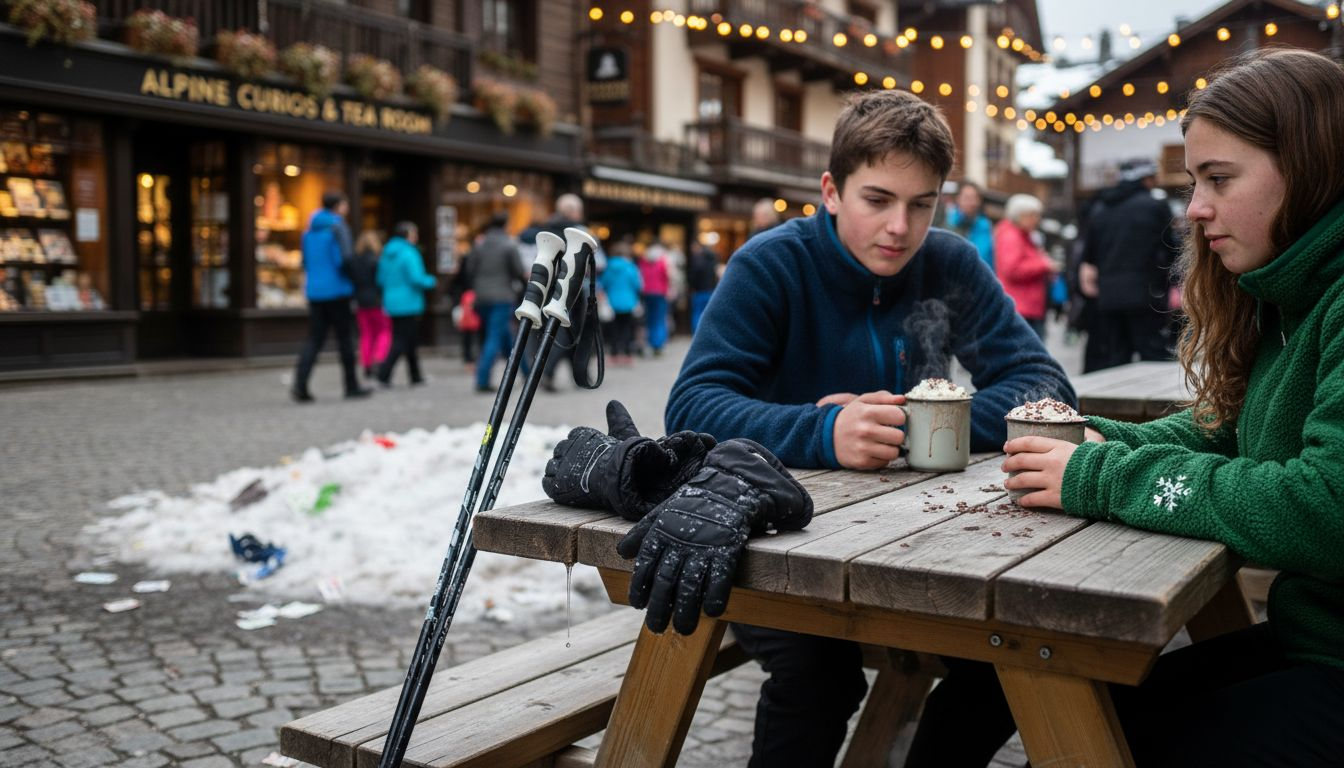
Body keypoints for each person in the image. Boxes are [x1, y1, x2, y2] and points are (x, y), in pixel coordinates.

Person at [664, 89, 1074, 768]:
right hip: (769, 538)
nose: (899, 227)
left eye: (922, 205)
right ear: (831, 190)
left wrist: (920, 427)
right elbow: (692, 406)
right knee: (819, 676)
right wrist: (823, 431)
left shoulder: (948, 262)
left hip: (913, 538)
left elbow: (1045, 386)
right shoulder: (770, 264)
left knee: (1019, 649)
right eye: (877, 200)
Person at [996, 48, 1344, 767]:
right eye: (1194, 181)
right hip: (1313, 635)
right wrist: (1099, 438)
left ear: (1313, 167)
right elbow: (1231, 430)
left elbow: (1326, 508)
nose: (1194, 209)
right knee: (1056, 712)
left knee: (1081, 742)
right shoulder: (1293, 291)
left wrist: (1100, 477)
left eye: (1219, 178)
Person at [1080, 157, 1181, 372]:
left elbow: (1089, 256)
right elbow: (1170, 248)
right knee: (1154, 357)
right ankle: (1159, 406)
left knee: (1116, 358)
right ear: (1147, 179)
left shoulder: (1099, 209)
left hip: (1108, 295)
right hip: (1146, 293)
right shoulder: (1155, 206)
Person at [290, 191, 371, 402]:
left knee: (314, 339)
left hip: (315, 291)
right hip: (338, 291)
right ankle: (351, 386)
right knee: (345, 339)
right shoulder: (338, 226)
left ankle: (300, 384)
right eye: (345, 204)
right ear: (339, 206)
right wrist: (358, 281)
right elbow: (345, 259)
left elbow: (305, 262)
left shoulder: (308, 231)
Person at [469, 212, 526, 393]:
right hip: (502, 296)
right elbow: (518, 271)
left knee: (505, 337)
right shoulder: (509, 245)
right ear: (506, 225)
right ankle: (482, 380)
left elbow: (469, 270)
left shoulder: (479, 245)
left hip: (481, 298)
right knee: (494, 337)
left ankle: (527, 372)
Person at [375, 221, 436, 387]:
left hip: (391, 301)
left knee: (409, 341)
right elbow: (416, 278)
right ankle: (383, 374)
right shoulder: (409, 253)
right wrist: (431, 281)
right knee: (401, 341)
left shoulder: (386, 253)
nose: (416, 237)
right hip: (408, 302)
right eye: (414, 233)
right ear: (408, 235)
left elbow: (380, 279)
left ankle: (415, 375)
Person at [993, 193, 1058, 339]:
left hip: (1028, 306)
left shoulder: (1024, 236)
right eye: (1033, 215)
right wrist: (1043, 265)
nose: (1037, 219)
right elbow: (1012, 269)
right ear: (1020, 215)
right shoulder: (1011, 236)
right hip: (1021, 307)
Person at [349, 230, 391, 379]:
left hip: (360, 301)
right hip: (376, 301)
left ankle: (366, 363)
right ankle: (379, 359)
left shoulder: (354, 260)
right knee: (384, 331)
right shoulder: (377, 261)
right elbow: (382, 282)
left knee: (366, 334)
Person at [599, 237, 643, 366]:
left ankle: (614, 354)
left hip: (612, 302)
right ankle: (627, 354)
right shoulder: (630, 267)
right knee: (627, 329)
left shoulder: (608, 266)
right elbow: (637, 284)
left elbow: (604, 283)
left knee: (614, 330)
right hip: (629, 301)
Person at [945, 180, 994, 270]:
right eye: (966, 197)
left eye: (974, 198)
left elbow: (987, 256)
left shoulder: (984, 225)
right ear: (958, 199)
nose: (971, 202)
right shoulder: (947, 223)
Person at [638, 239, 671, 356]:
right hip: (660, 292)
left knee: (649, 319)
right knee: (660, 319)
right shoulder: (663, 260)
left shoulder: (643, 259)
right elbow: (667, 276)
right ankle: (658, 344)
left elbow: (640, 275)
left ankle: (651, 342)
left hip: (647, 292)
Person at [686, 239, 719, 333]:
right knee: (707, 314)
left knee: (697, 313)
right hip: (711, 290)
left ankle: (697, 333)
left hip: (699, 291)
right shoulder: (713, 260)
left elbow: (693, 277)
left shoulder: (698, 260)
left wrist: (692, 287)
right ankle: (706, 333)